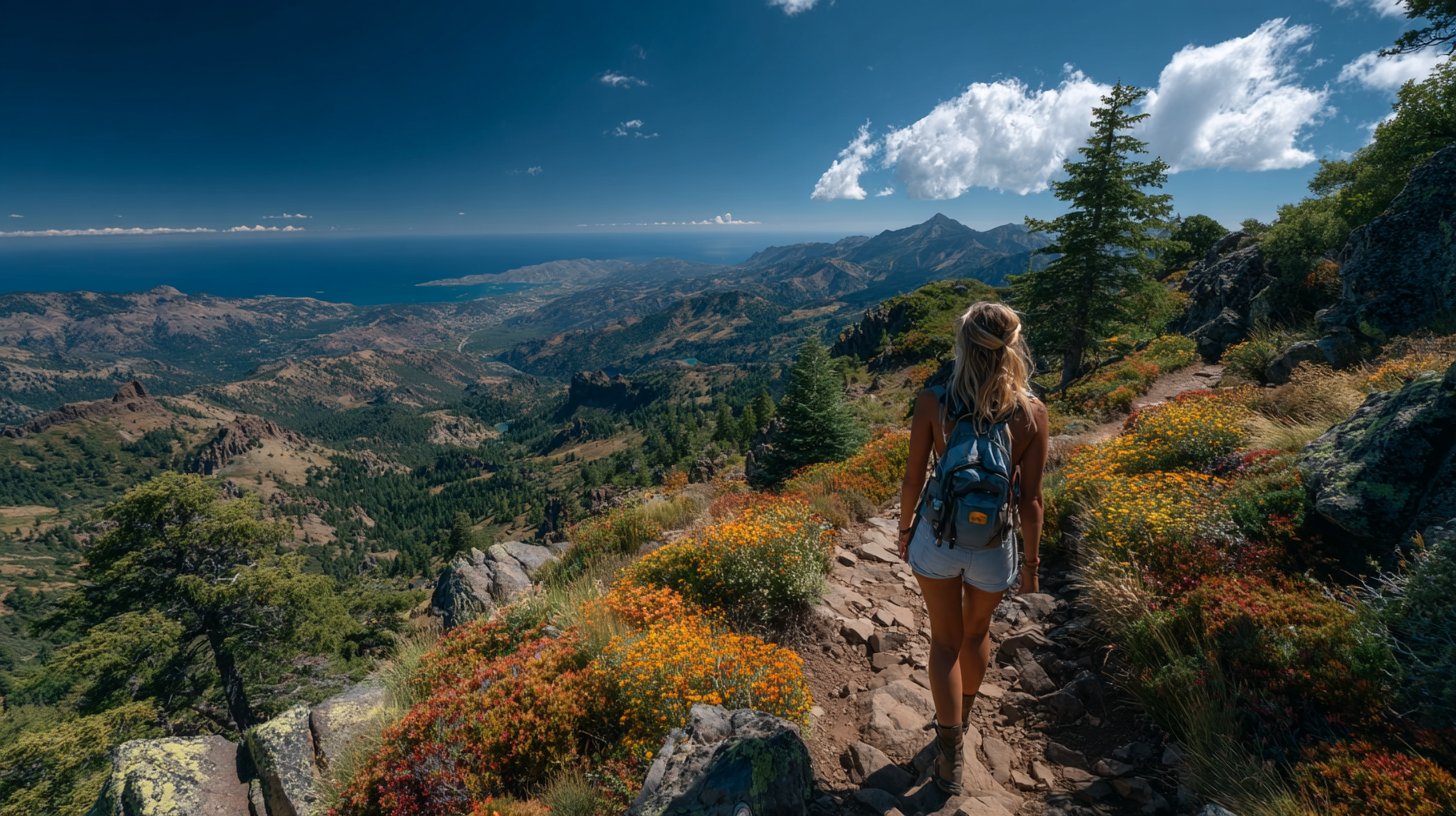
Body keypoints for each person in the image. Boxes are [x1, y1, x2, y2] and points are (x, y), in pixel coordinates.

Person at [895, 301, 1048, 795]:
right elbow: (1032, 501)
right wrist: (1031, 565)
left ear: (963, 346)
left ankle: (949, 753)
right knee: (976, 632)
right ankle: (965, 709)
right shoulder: (1032, 413)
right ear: (1013, 347)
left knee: (943, 642)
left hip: (938, 539)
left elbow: (914, 478)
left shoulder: (932, 402)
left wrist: (903, 533)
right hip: (994, 543)